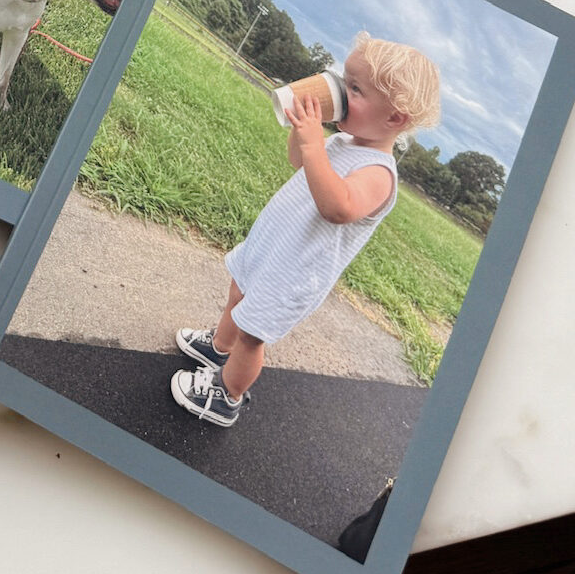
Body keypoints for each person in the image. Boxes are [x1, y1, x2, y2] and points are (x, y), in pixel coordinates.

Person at [171, 32, 441, 427]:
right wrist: (304, 134)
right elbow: (300, 162)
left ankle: (227, 395)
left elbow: (338, 207)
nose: (341, 92)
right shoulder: (346, 140)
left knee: (252, 334)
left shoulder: (379, 173)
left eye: (354, 89)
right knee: (238, 292)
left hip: (295, 271)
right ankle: (216, 348)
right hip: (274, 245)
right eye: (343, 79)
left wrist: (317, 146)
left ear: (395, 118)